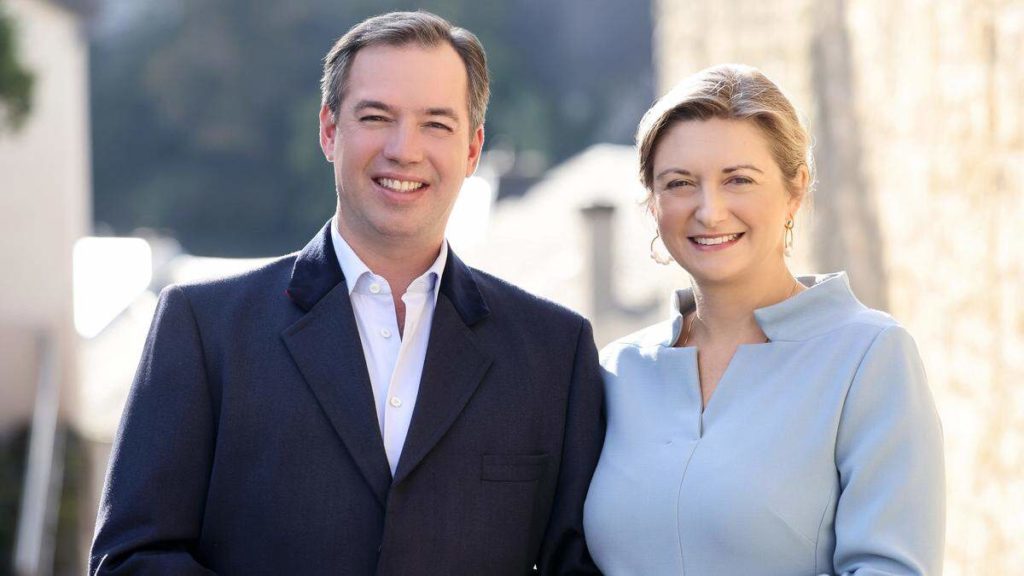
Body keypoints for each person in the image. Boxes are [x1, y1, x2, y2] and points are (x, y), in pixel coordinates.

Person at [90, 11, 604, 575]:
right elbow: (130, 561)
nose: (404, 149)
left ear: (473, 149)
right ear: (330, 131)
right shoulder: (203, 329)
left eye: (436, 124)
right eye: (376, 116)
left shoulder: (555, 352)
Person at [583, 64, 945, 575]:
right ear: (653, 201)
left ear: (795, 190)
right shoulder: (617, 371)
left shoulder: (869, 358)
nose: (709, 211)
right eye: (680, 183)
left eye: (739, 180)